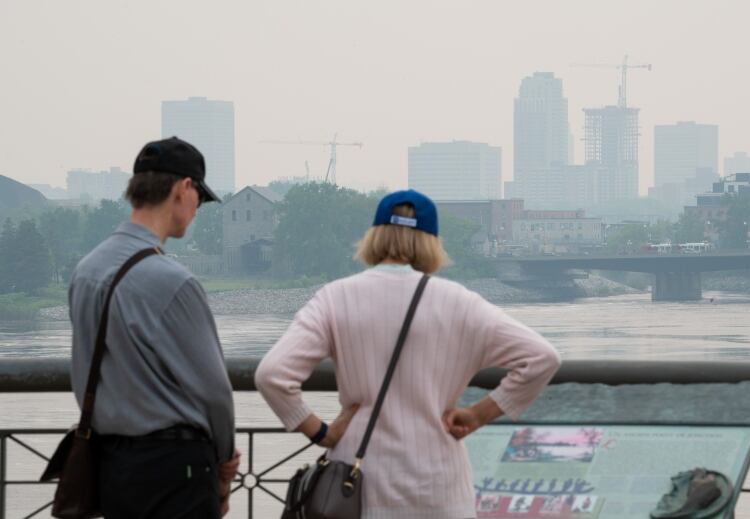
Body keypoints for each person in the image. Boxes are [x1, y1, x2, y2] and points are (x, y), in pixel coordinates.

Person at [255, 190, 561, 519]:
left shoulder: (335, 297)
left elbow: (271, 375)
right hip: (438, 487)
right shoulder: (460, 302)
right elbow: (542, 357)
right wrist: (478, 414)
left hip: (358, 485)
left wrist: (320, 431)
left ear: (375, 235)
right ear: (431, 241)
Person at [69, 137, 240, 518]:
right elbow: (215, 393)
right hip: (176, 469)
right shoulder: (173, 281)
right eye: (200, 197)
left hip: (112, 464)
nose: (198, 208)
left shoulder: (86, 271)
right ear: (183, 189)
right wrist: (225, 463)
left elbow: (83, 377)